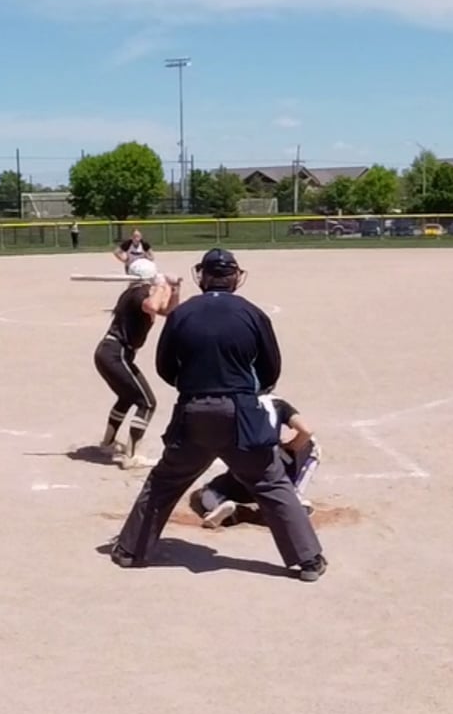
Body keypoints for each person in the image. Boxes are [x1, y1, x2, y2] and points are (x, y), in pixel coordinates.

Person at [108, 248, 326, 582]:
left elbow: (165, 367)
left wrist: (195, 385)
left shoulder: (182, 314)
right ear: (235, 277)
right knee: (270, 482)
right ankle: (308, 560)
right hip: (241, 413)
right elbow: (270, 371)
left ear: (202, 276)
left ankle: (130, 551)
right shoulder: (253, 314)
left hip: (194, 411)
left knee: (165, 481)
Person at [93, 257, 180, 468]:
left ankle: (108, 443)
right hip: (116, 353)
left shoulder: (136, 293)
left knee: (127, 397)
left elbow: (168, 311)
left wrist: (174, 289)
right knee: (147, 403)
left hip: (112, 353)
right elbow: (152, 305)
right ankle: (132, 456)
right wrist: (161, 285)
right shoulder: (138, 293)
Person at [189, 394, 320, 528]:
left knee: (209, 491)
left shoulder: (233, 403)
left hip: (242, 475)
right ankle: (294, 503)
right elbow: (306, 431)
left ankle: (218, 506)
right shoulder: (277, 404)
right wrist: (290, 446)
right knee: (312, 445)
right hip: (274, 477)